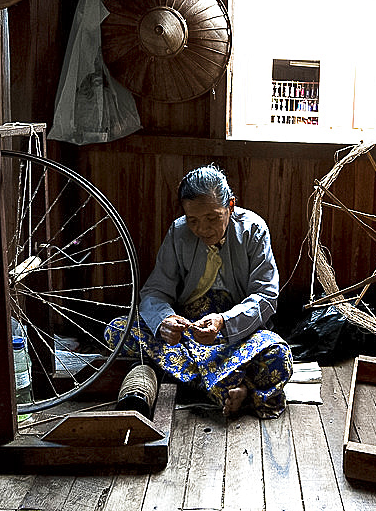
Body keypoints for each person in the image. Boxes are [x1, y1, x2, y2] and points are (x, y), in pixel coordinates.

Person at [105, 165, 293, 418]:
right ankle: (232, 386)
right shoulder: (178, 232)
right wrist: (164, 322)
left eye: (213, 218)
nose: (203, 229)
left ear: (231, 206)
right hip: (188, 333)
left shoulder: (253, 230)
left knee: (277, 354)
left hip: (234, 335)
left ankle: (200, 381)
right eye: (193, 220)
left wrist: (223, 322)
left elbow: (266, 296)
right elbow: (155, 291)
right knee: (117, 330)